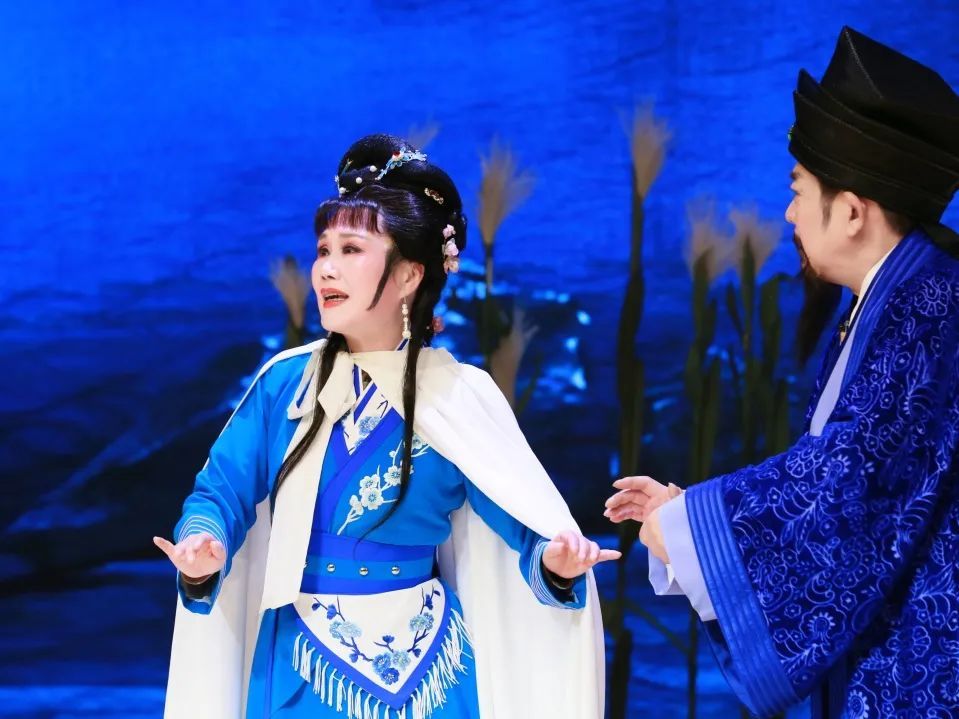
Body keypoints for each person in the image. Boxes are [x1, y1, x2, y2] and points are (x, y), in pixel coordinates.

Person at [155, 134, 617, 719]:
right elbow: (221, 491)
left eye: (351, 249)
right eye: (323, 249)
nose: (326, 269)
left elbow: (520, 525)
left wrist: (556, 561)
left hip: (431, 665)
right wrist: (204, 544)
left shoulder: (458, 394)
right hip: (303, 661)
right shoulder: (284, 383)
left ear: (408, 275)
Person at [605, 27, 959, 719]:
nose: (790, 214)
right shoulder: (900, 299)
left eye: (799, 190)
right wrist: (687, 516)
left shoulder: (927, 305)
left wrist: (688, 527)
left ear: (851, 210)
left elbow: (850, 482)